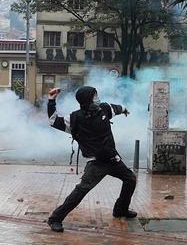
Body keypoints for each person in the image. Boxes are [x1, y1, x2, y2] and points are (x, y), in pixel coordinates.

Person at [46, 86, 137, 233]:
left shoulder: (104, 109)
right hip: (96, 163)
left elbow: (117, 108)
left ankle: (121, 209)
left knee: (130, 179)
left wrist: (125, 109)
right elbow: (53, 121)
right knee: (81, 191)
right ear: (87, 99)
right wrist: (51, 100)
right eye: (95, 96)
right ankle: (55, 219)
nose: (98, 98)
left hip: (113, 159)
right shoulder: (74, 118)